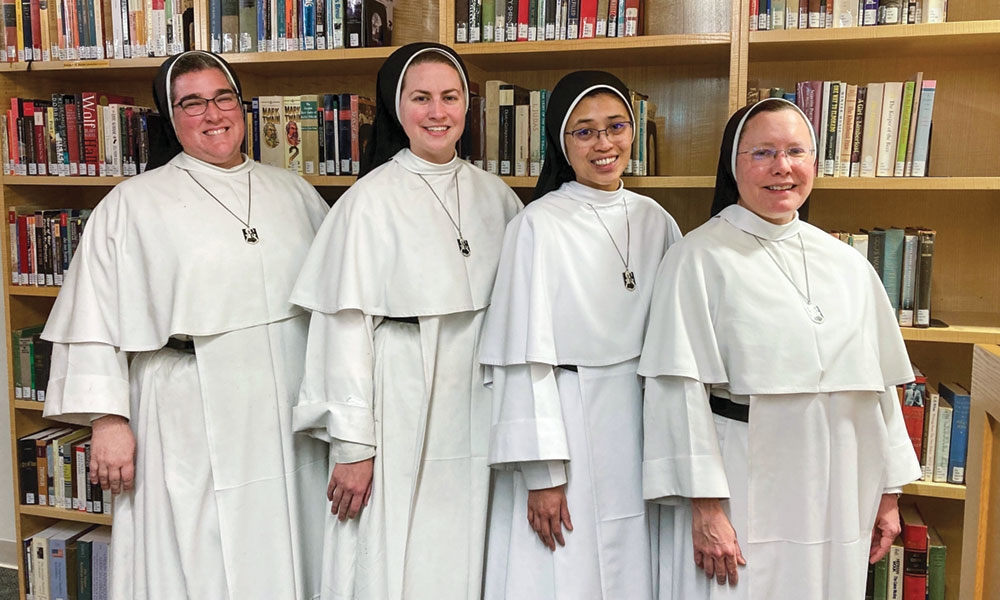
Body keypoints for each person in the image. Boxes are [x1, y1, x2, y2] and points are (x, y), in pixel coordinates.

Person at [40, 50, 330, 599]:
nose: (213, 113)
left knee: (289, 538)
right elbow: (95, 315)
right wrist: (108, 421)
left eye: (223, 97)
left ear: (242, 106)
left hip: (285, 400)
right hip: (185, 404)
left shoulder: (293, 192)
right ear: (170, 117)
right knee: (194, 553)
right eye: (192, 102)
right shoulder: (132, 204)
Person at [639, 97, 921, 599]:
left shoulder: (847, 263)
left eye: (796, 151)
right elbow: (676, 392)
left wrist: (888, 494)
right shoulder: (697, 258)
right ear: (733, 163)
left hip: (842, 479)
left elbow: (880, 388)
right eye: (762, 152)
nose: (782, 167)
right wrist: (705, 506)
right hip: (745, 478)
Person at [290, 42, 521, 600]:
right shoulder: (367, 202)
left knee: (470, 545)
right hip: (397, 391)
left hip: (478, 392)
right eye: (421, 98)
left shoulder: (498, 197)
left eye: (450, 96)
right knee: (392, 555)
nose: (437, 112)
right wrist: (352, 448)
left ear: (469, 105)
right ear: (398, 109)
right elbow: (342, 331)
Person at [480, 70, 682, 599]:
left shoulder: (656, 220)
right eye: (584, 132)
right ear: (561, 143)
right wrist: (542, 472)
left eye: (616, 127)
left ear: (633, 132)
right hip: (567, 418)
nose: (603, 144)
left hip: (638, 417)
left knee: (634, 562)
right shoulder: (537, 224)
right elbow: (522, 358)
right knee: (561, 568)